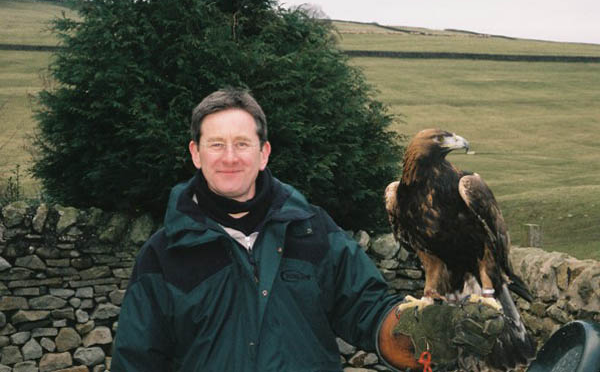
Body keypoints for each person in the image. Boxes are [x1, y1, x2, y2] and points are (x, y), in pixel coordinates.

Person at [111, 88, 506, 372]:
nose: (229, 157)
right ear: (196, 153)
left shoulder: (311, 229)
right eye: (216, 145)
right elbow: (137, 359)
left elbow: (367, 309)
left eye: (242, 144)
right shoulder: (164, 254)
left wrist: (419, 331)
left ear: (263, 153)